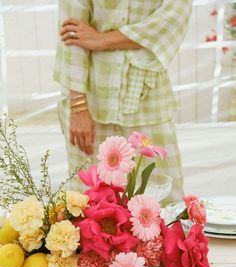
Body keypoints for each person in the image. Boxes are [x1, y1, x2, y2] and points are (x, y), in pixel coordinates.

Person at [54, 0, 192, 204]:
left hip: (148, 100)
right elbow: (71, 36)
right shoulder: (82, 107)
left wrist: (102, 40)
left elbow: (174, 17)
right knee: (87, 202)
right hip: (90, 103)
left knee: (162, 199)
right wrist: (78, 107)